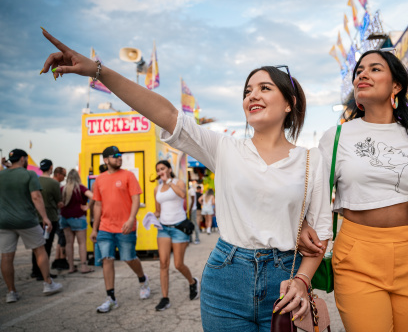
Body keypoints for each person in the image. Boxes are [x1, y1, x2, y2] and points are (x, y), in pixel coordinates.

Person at [41, 30, 332, 331]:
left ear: (289, 103)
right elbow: (167, 114)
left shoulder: (311, 160)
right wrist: (98, 71)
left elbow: (321, 234)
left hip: (284, 281)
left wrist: (301, 279)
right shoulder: (224, 148)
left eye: (264, 88)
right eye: (247, 91)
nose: (252, 96)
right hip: (226, 279)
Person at [301, 50, 408, 331]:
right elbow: (313, 199)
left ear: (396, 86)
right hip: (357, 254)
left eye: (375, 69)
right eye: (359, 71)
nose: (363, 74)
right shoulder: (337, 137)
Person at [90, 145, 150, 313]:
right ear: (106, 160)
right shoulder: (99, 180)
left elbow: (136, 200)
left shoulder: (128, 176)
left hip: (125, 227)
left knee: (129, 258)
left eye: (120, 155)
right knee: (107, 259)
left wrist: (131, 219)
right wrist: (94, 229)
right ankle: (110, 298)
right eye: (115, 156)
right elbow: (98, 205)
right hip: (105, 227)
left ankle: (143, 279)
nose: (119, 158)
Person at [0, 149, 63, 303]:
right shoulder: (29, 175)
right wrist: (45, 218)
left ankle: (11, 292)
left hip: (4, 221)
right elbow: (36, 196)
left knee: (7, 256)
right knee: (40, 249)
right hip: (26, 220)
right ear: (23, 159)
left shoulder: (1, 175)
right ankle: (48, 283)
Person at [153, 160, 200, 311]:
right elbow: (158, 210)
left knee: (178, 264)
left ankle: (192, 282)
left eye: (163, 169)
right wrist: (152, 217)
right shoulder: (157, 189)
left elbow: (182, 195)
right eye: (158, 170)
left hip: (179, 227)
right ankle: (165, 298)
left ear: (169, 169)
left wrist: (169, 182)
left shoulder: (178, 182)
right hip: (163, 228)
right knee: (163, 263)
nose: (160, 172)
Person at [30, 159, 62, 281]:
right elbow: (59, 202)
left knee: (36, 246)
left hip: (35, 217)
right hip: (50, 218)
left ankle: (35, 270)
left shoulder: (34, 180)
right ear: (51, 168)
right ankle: (44, 273)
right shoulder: (54, 183)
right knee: (46, 246)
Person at [60, 169, 94, 274]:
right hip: (78, 218)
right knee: (82, 243)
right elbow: (93, 196)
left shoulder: (62, 189)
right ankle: (84, 267)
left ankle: (71, 267)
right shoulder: (81, 188)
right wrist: (88, 206)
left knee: (69, 243)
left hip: (65, 218)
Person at [52, 166, 69, 271]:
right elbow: (58, 202)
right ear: (58, 174)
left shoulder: (52, 184)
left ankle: (57, 260)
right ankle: (62, 260)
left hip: (53, 216)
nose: (65, 177)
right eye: (64, 175)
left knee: (60, 238)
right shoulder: (57, 186)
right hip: (58, 216)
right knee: (63, 238)